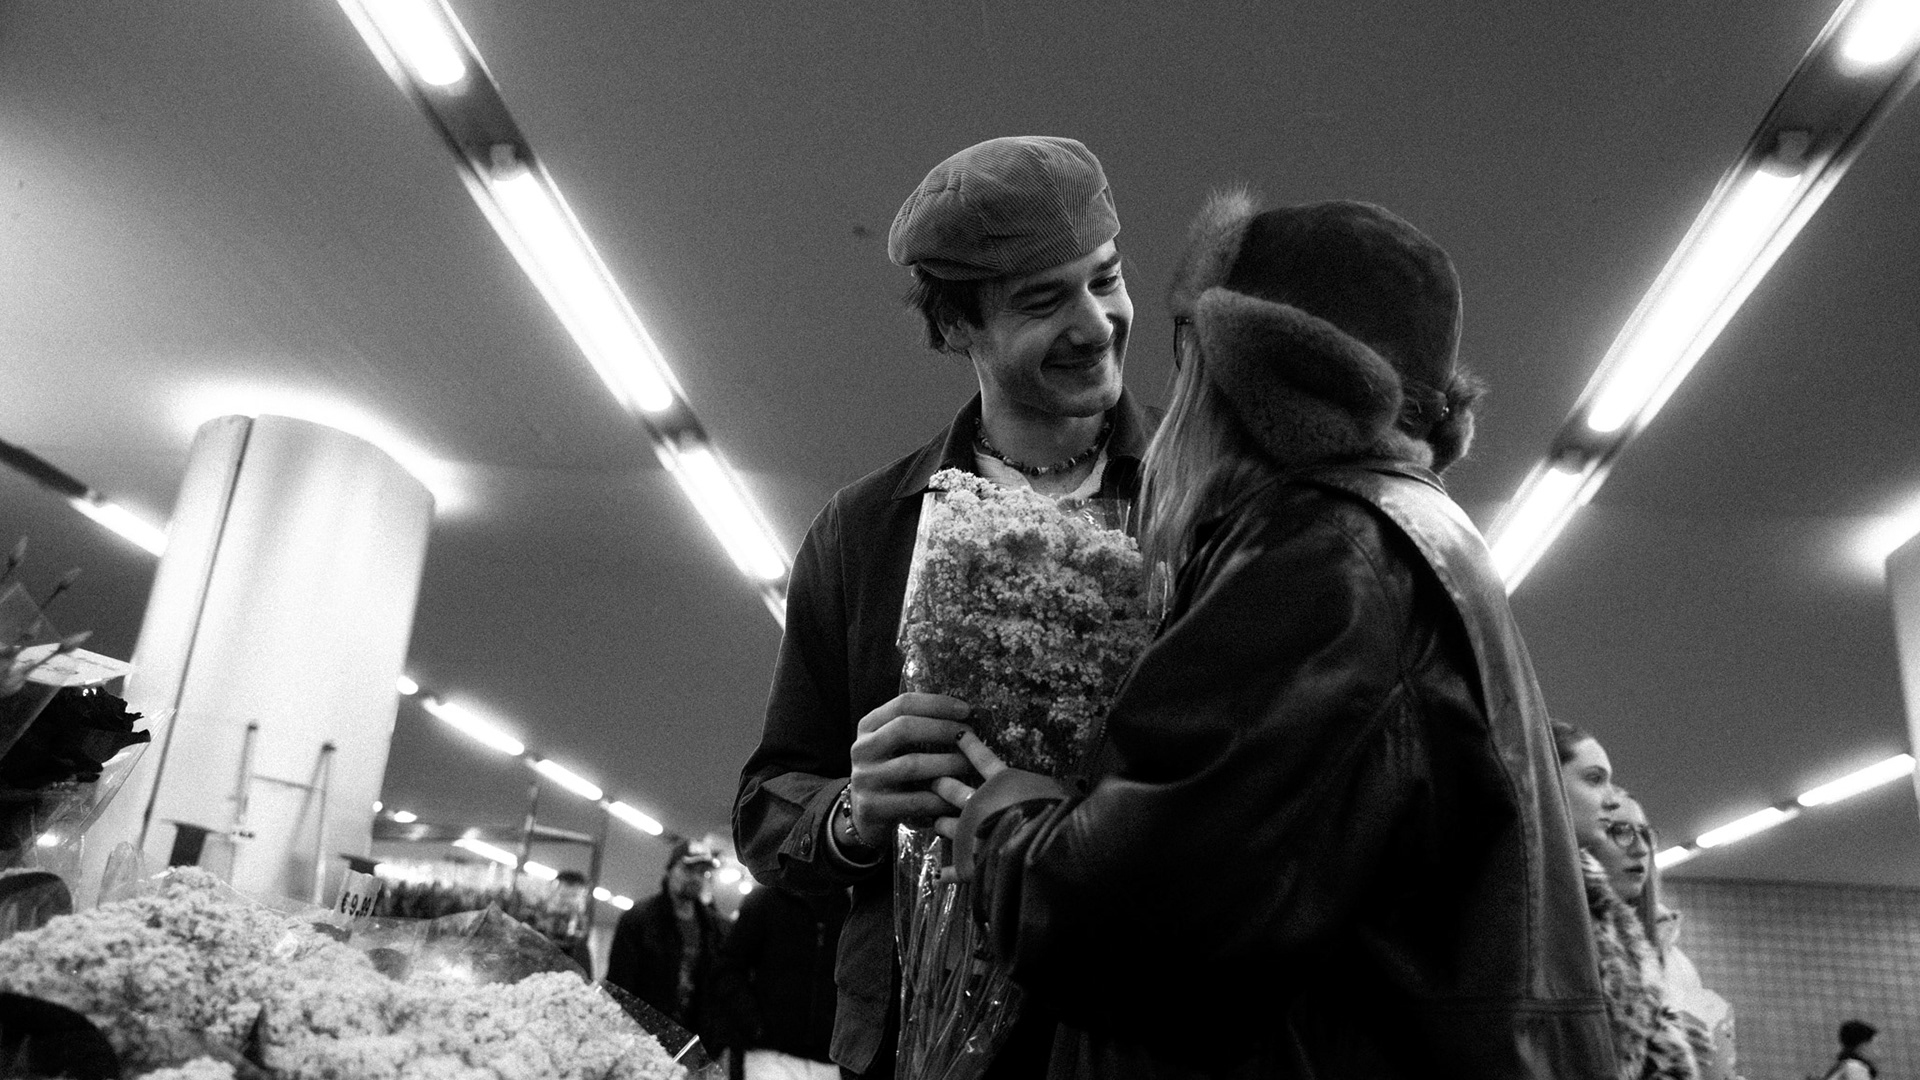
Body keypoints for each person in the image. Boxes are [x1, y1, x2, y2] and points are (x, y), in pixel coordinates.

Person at [937, 192, 1616, 1077]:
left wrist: (1001, 816)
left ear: (1254, 376)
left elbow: (1149, 921)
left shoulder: (1323, 553)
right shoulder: (1412, 529)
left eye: (1191, 351)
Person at [733, 135, 1155, 1079]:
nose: (1096, 323)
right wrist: (853, 812)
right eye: (1044, 301)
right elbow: (767, 803)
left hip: (1135, 1032)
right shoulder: (865, 531)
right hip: (911, 1039)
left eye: (1106, 279)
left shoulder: (1210, 499)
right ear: (957, 326)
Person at [1552, 728, 1697, 1080]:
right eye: (1621, 832)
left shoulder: (1617, 928)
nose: (1641, 849)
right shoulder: (1539, 903)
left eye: (1645, 835)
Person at [606, 838, 730, 1054]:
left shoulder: (716, 929)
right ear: (670, 870)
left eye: (702, 872)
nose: (695, 878)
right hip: (645, 1043)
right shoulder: (638, 920)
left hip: (696, 1046)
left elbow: (720, 991)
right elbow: (619, 986)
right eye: (688, 869)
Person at [715, 883, 849, 1080]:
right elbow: (729, 967)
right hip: (771, 1055)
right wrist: (754, 1025)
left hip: (828, 1059)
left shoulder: (847, 906)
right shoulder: (767, 898)